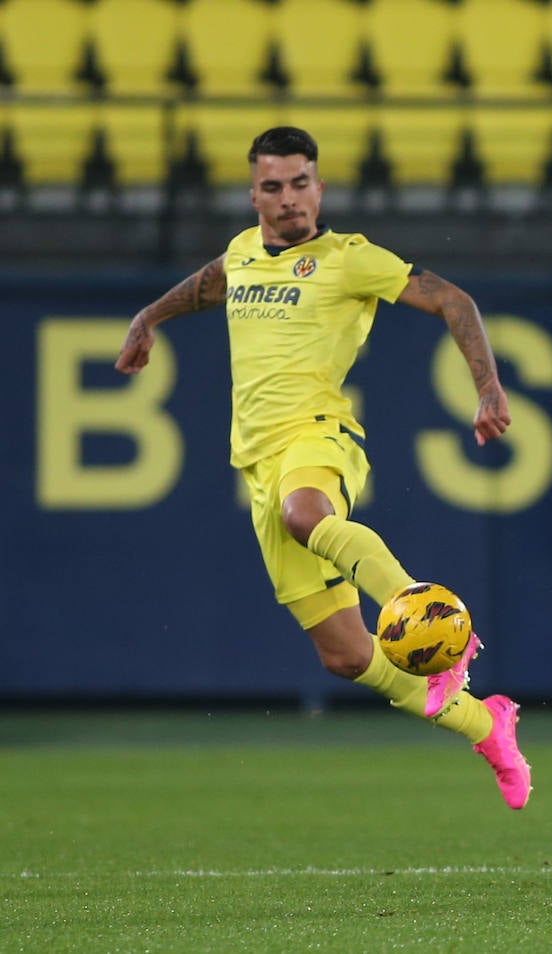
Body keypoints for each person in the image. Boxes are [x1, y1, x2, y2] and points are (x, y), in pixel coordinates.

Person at [114, 126, 531, 810]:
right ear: (254, 195)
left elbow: (454, 300)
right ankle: (487, 723)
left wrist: (487, 386)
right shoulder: (244, 252)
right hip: (255, 462)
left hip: (318, 435)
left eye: (300, 183)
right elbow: (215, 280)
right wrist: (150, 316)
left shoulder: (347, 259)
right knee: (344, 656)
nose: (288, 199)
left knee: (307, 513)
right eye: (273, 187)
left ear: (320, 188)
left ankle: (435, 625)